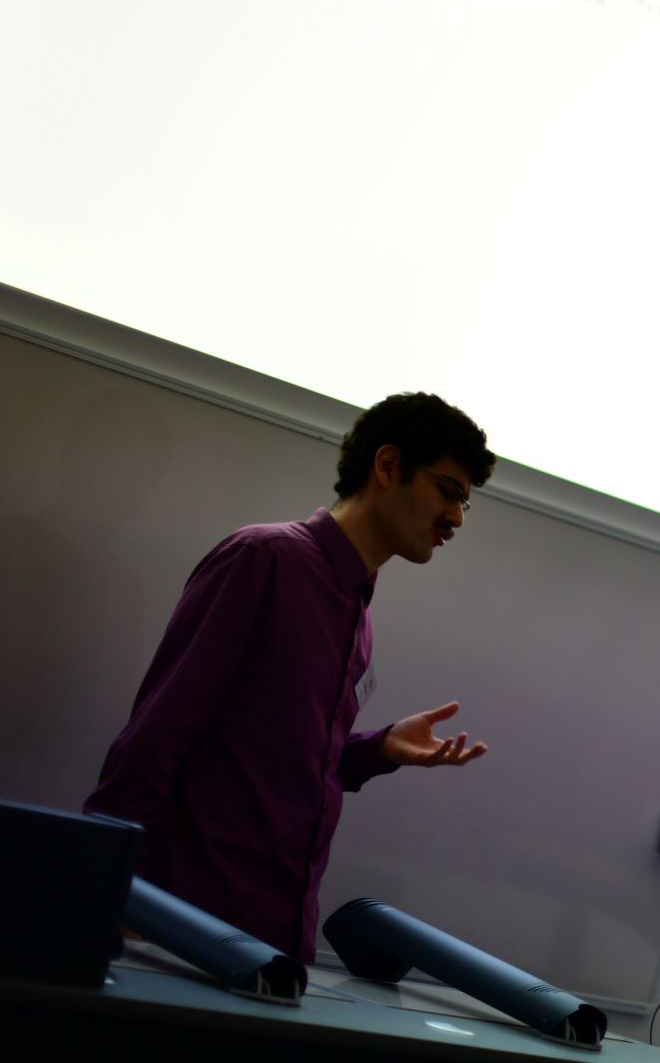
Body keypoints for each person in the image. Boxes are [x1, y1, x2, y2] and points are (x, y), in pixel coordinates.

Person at [86, 392, 497, 960]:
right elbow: (155, 735)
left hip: (275, 946)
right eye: (448, 492)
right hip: (181, 933)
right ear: (388, 466)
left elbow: (288, 766)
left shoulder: (359, 612)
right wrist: (109, 893)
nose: (455, 517)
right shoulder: (264, 558)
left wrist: (379, 749)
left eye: (463, 504)